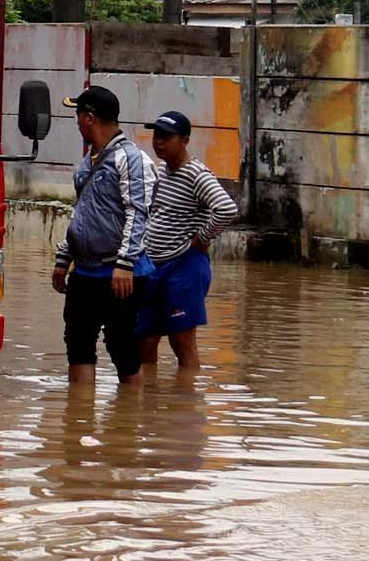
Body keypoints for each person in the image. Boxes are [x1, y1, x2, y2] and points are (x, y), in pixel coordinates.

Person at [52, 86, 153, 384]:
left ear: (88, 118)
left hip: (119, 272)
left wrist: (125, 264)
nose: (76, 122)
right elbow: (82, 213)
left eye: (77, 115)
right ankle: (79, 410)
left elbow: (138, 213)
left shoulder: (131, 159)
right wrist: (63, 258)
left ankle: (130, 411)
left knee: (122, 347)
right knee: (78, 344)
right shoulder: (89, 161)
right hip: (84, 271)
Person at [134, 110, 237, 370]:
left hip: (184, 266)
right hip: (153, 266)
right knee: (144, 339)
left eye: (166, 137)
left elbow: (226, 208)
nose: (159, 142)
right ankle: (148, 393)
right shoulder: (160, 172)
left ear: (185, 140)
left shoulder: (196, 174)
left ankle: (187, 392)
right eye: (156, 136)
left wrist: (202, 238)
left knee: (181, 341)